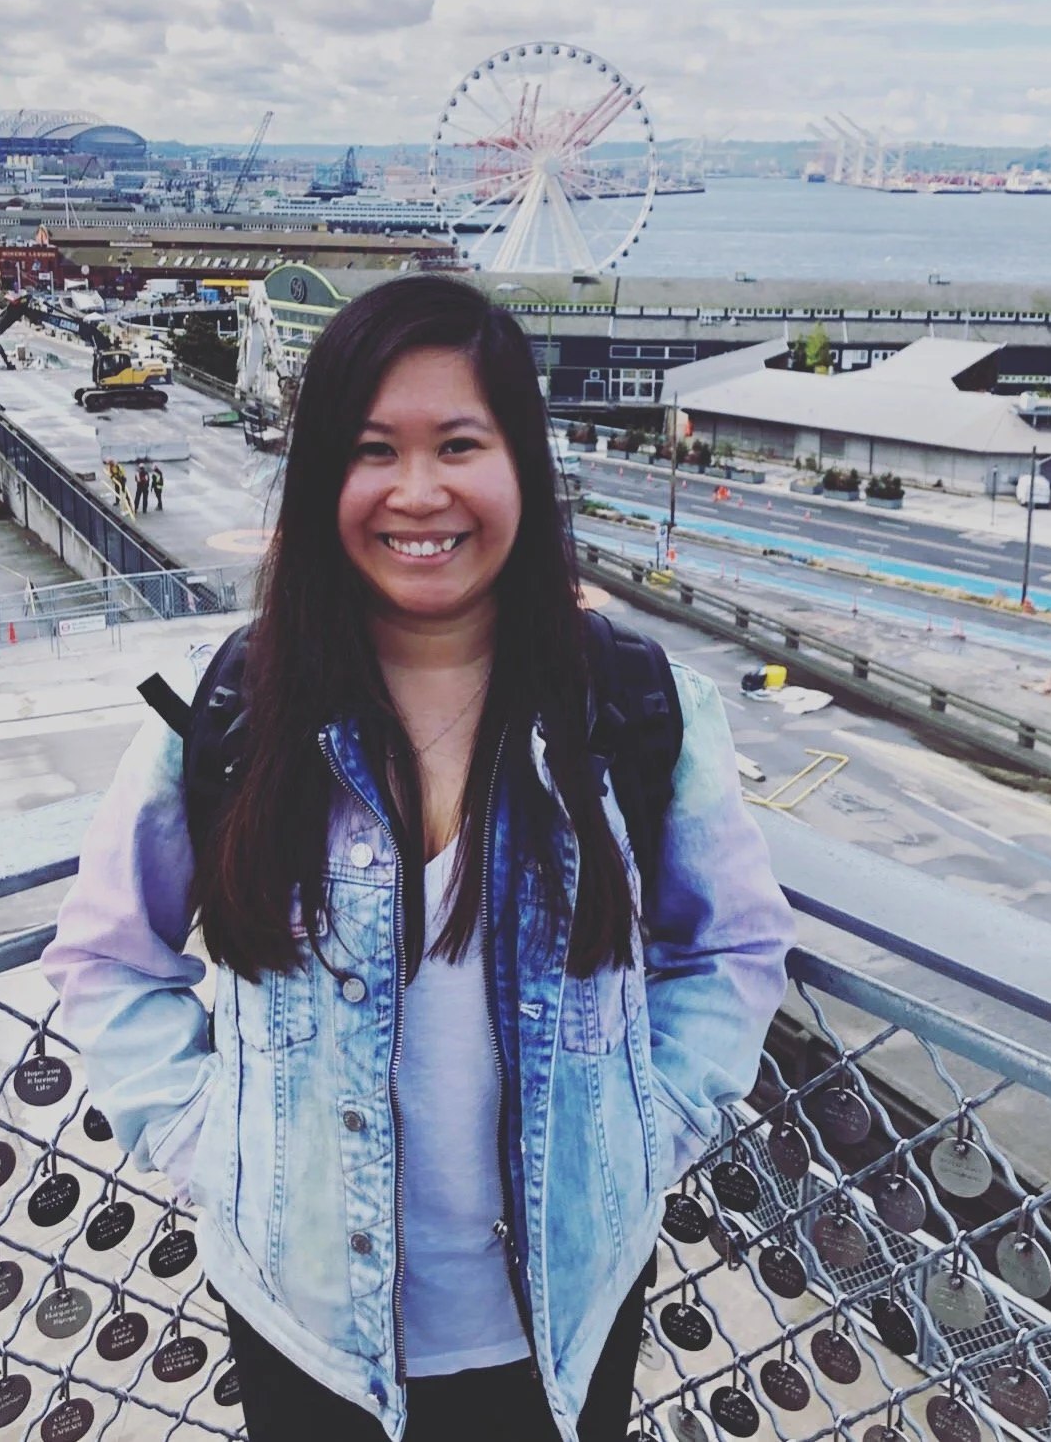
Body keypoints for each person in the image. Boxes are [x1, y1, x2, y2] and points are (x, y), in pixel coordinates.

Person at [43, 276, 794, 1442]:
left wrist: (647, 1134)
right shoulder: (229, 710)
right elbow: (105, 958)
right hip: (306, 1328)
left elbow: (733, 947)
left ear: (522, 467)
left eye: (458, 444)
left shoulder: (639, 710)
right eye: (371, 450)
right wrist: (212, 1148)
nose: (418, 492)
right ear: (320, 480)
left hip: (568, 1320)